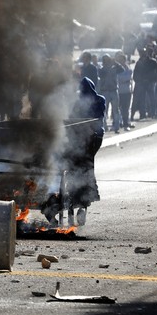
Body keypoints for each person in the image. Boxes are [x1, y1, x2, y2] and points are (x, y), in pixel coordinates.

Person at [66, 77, 106, 225]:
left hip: (91, 137)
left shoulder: (98, 100)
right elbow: (70, 119)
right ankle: (78, 206)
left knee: (84, 166)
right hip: (81, 137)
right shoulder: (97, 99)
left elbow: (97, 119)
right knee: (82, 167)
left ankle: (80, 205)